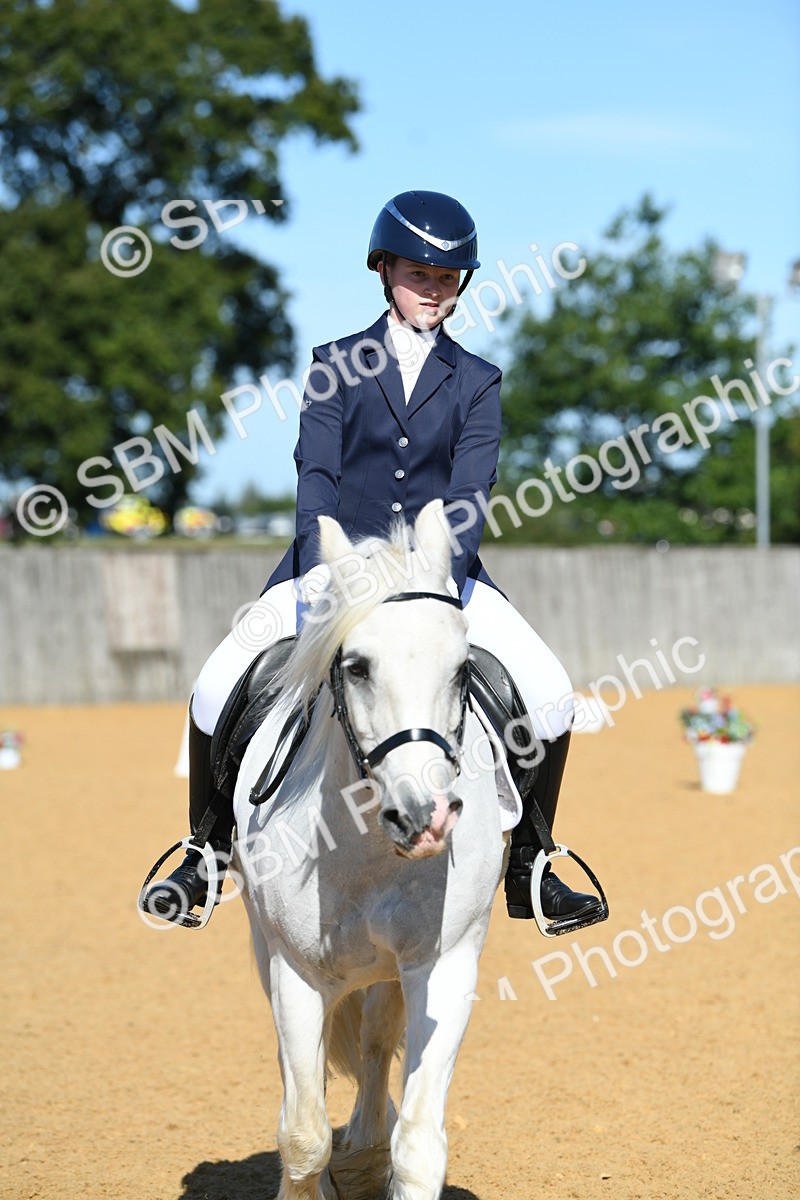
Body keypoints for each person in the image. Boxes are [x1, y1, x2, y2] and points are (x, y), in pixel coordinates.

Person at [144, 190, 604, 931]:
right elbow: (315, 473)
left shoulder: (477, 380)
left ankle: (532, 865)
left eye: (448, 276)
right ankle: (207, 851)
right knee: (212, 685)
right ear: (383, 269)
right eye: (419, 272)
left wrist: (436, 580)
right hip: (332, 568)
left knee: (550, 695)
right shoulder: (334, 363)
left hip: (437, 576)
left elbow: (470, 491)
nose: (433, 287)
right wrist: (324, 569)